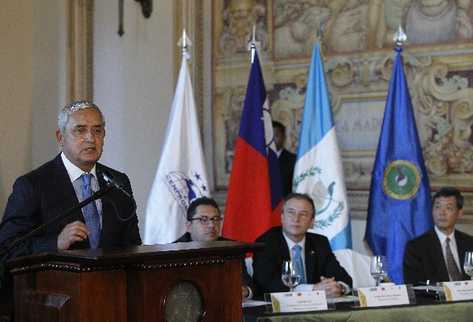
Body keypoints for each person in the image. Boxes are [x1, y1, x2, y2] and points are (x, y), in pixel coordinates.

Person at [0, 100, 142, 261]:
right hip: (54, 284)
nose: (90, 138)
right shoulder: (32, 185)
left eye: (97, 130)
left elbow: (133, 245)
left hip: (111, 282)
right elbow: (7, 248)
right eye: (80, 130)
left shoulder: (118, 182)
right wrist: (55, 243)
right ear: (60, 138)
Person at [252, 193, 352, 297]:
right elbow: (266, 283)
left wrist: (338, 287)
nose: (296, 219)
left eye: (303, 214)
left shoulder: (320, 243)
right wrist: (313, 289)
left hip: (314, 307)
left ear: (312, 221)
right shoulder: (266, 243)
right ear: (282, 217)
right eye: (291, 213)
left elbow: (344, 279)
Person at [174, 196, 254, 300]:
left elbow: (245, 282)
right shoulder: (174, 252)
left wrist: (246, 291)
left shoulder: (232, 248)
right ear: (189, 226)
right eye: (203, 220)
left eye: (216, 219)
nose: (212, 225)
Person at [404, 187, 473, 284]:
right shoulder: (416, 247)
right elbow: (415, 286)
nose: (442, 213)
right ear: (432, 211)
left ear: (459, 213)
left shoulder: (470, 243)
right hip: (434, 299)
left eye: (448, 208)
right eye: (437, 207)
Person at [272, 121, 296, 197]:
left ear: (284, 137)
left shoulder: (293, 160)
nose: (271, 140)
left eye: (276, 136)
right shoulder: (259, 160)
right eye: (269, 136)